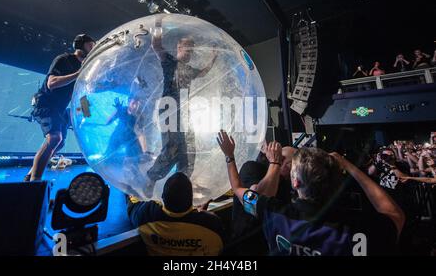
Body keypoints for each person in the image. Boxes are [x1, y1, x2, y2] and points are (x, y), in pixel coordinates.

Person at [217, 130, 405, 256]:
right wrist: (349, 166)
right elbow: (395, 215)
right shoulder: (356, 232)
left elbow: (238, 189)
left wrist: (229, 156)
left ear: (295, 182)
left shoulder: (273, 213)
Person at [145, 15, 218, 197]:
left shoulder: (189, 69)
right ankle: (151, 179)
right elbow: (156, 46)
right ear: (179, 47)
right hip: (168, 108)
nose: (190, 53)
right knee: (172, 146)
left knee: (189, 148)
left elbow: (203, 73)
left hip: (183, 112)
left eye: (192, 50)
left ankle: (182, 183)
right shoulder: (169, 61)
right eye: (188, 49)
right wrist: (158, 24)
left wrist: (213, 58)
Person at [25, 34, 95, 181]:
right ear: (80, 45)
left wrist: (86, 113)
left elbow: (80, 93)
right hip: (46, 103)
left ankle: (30, 174)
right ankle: (33, 184)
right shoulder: (64, 59)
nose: (93, 49)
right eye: (90, 45)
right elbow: (52, 83)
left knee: (60, 142)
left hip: (60, 109)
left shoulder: (85, 68)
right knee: (55, 138)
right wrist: (78, 74)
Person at [126, 172, 225, 256]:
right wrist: (202, 215)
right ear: (191, 200)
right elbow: (219, 247)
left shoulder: (146, 216)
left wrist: (129, 188)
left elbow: (132, 207)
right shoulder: (211, 225)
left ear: (162, 197)